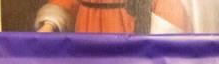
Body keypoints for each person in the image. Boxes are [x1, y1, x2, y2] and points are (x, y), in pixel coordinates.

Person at [35, 0, 190, 34]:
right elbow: (66, 3)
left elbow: (169, 26)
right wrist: (49, 24)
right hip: (87, 48)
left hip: (131, 51)